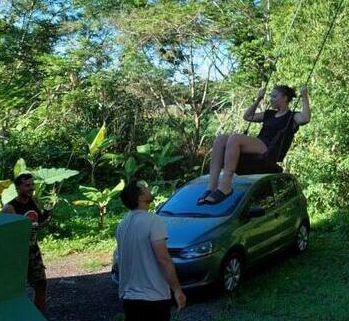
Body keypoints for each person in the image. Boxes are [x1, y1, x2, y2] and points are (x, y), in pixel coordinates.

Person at [199, 84, 310, 205]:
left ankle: (225, 187)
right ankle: (211, 187)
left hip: (270, 150)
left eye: (274, 96)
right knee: (220, 139)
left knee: (235, 138)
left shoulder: (292, 116)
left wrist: (304, 97)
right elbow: (247, 116)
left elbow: (305, 118)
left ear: (285, 98)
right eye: (270, 96)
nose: (271, 99)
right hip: (259, 145)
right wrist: (258, 100)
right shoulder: (269, 114)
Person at [116, 178, 186, 321]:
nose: (148, 188)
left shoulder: (122, 225)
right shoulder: (153, 221)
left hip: (129, 298)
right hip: (153, 297)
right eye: (144, 187)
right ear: (140, 197)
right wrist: (177, 289)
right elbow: (163, 259)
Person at [0, 173, 51, 313]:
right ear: (18, 188)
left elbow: (39, 221)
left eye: (32, 184)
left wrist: (47, 212)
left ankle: (39, 316)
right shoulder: (9, 208)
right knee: (13, 290)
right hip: (16, 255)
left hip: (33, 251)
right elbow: (2, 233)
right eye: (27, 185)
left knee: (41, 285)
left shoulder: (32, 202)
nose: (31, 188)